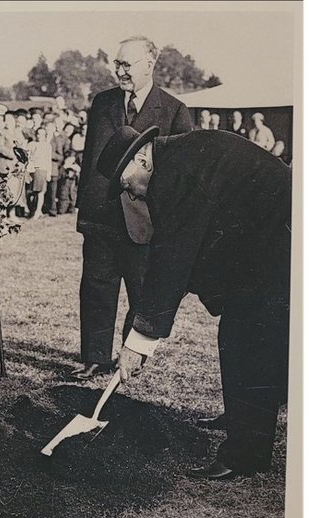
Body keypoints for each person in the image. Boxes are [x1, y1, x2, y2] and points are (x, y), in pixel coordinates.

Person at [97, 125, 291, 480]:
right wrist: (138, 330)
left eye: (126, 184)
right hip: (263, 248)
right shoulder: (175, 159)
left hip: (280, 246)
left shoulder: (178, 173)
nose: (132, 196)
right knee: (250, 340)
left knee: (248, 341)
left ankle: (245, 453)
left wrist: (139, 343)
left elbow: (173, 261)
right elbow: (172, 261)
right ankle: (246, 416)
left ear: (142, 158)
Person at [72, 35, 193, 380]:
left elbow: (179, 175)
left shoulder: (174, 110)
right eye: (118, 63)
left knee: (141, 290)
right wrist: (85, 212)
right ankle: (94, 357)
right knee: (96, 286)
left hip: (144, 222)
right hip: (102, 218)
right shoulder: (102, 103)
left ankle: (131, 356)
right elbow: (90, 159)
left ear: (150, 65)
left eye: (127, 64)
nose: (120, 70)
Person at [26, 127, 52, 218]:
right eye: (38, 134)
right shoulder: (31, 144)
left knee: (41, 192)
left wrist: (49, 173)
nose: (40, 136)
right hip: (32, 170)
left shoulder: (47, 146)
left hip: (42, 170)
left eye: (42, 134)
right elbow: (28, 158)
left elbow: (48, 160)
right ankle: (32, 210)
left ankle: (37, 211)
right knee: (31, 192)